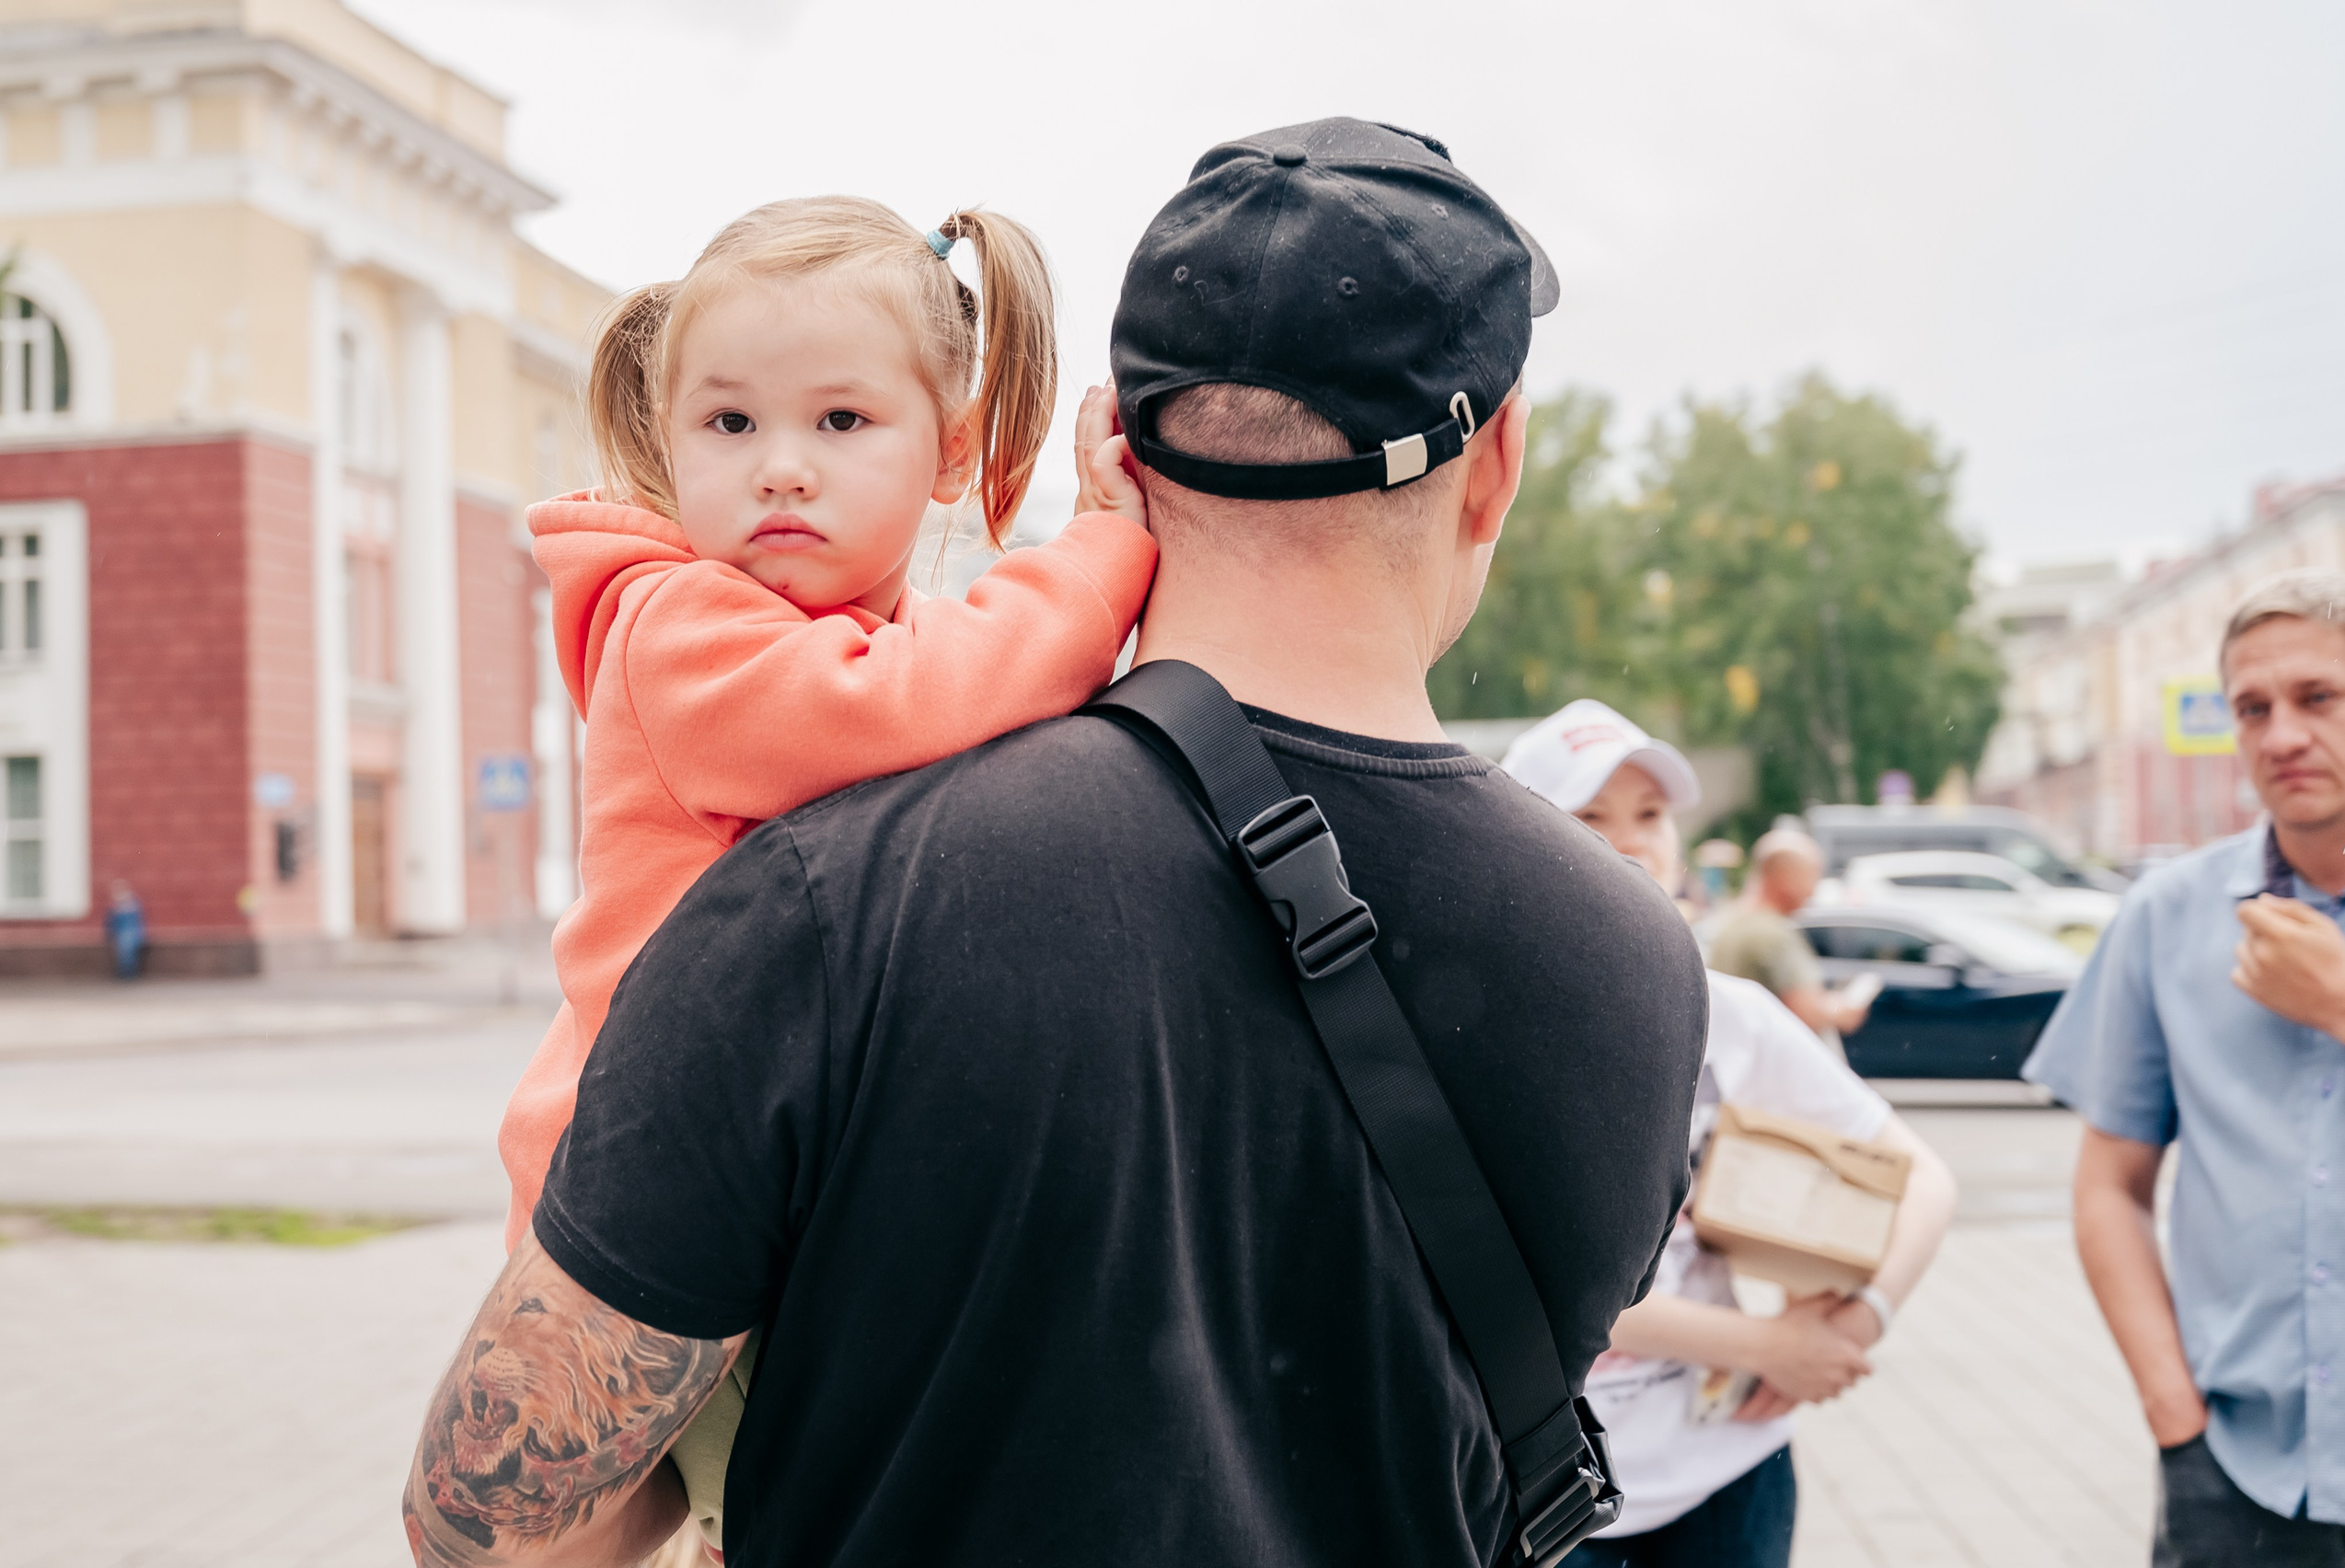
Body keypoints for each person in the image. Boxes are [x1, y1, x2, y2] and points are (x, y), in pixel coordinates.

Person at [403, 119, 1707, 1568]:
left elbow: (496, 1529)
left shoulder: (824, 889)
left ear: (1121, 441)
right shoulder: (1642, 969)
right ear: (1497, 460)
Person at [488, 195, 1159, 1554]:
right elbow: (911, 701)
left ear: (948, 450)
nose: (781, 467)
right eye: (729, 425)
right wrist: (1100, 552)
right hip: (648, 1214)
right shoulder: (685, 628)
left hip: (775, 1192)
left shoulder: (877, 635)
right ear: (668, 448)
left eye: (841, 423)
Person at [1506, 701, 1956, 1568]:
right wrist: (1765, 1346)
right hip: (1550, 1498)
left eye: (1649, 815)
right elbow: (1543, 1296)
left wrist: (1854, 1327)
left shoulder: (1731, 1018)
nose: (1630, 840)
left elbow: (1924, 1178)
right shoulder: (1484, 1035)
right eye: (1589, 815)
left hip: (1729, 1481)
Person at [2026, 569, 2345, 1567]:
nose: (2280, 735)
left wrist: (2343, 1004)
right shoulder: (2168, 917)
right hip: (2239, 1479)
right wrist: (2175, 1419)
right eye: (2250, 708)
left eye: (2317, 698)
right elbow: (2108, 1189)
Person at [1708, 829, 1867, 1046]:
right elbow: (1807, 1012)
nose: (1813, 891)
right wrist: (1842, 1010)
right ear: (1785, 875)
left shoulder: (1729, 923)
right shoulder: (1772, 934)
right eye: (1811, 875)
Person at [104, 879, 144, 980]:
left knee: (128, 954)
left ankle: (129, 974)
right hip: (120, 934)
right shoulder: (116, 906)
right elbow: (110, 922)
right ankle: (124, 973)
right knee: (122, 954)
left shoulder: (131, 904)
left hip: (129, 934)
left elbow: (137, 921)